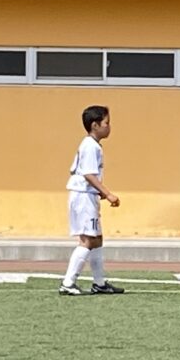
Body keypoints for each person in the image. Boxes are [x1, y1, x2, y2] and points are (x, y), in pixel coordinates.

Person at [60, 105, 124, 296]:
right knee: (87, 240)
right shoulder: (90, 146)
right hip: (83, 197)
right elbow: (88, 174)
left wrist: (99, 192)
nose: (109, 127)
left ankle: (99, 283)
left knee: (96, 239)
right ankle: (68, 283)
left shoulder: (92, 145)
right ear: (95, 125)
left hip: (87, 195)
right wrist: (107, 193)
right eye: (106, 123)